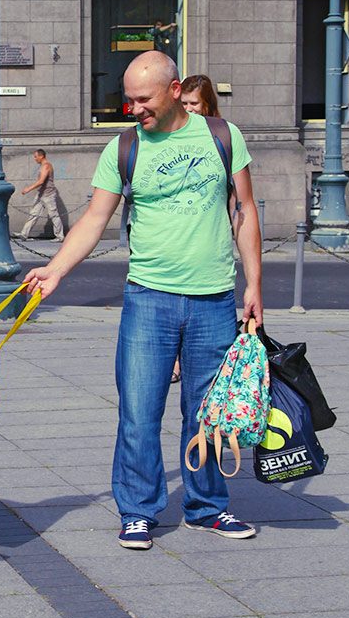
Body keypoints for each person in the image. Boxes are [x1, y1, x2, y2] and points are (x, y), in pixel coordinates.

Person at [24, 51, 262, 551]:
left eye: (143, 99)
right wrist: (56, 270)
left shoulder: (223, 136)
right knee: (138, 410)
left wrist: (254, 286)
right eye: (127, 99)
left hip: (214, 299)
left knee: (207, 413)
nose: (134, 109)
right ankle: (138, 510)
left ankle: (206, 507)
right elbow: (93, 218)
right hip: (148, 298)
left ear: (175, 91)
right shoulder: (124, 147)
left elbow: (244, 210)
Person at [169, 73, 222, 383]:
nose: (188, 109)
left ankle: (195, 364)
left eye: (194, 104)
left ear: (207, 104)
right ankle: (176, 359)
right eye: (184, 103)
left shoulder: (220, 135)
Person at [13, 149, 64, 242]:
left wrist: (28, 189)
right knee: (33, 214)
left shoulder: (46, 166)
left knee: (54, 215)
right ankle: (24, 234)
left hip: (48, 195)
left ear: (41, 156)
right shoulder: (43, 166)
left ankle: (60, 236)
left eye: (36, 157)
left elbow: (41, 181)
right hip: (41, 194)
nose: (35, 159)